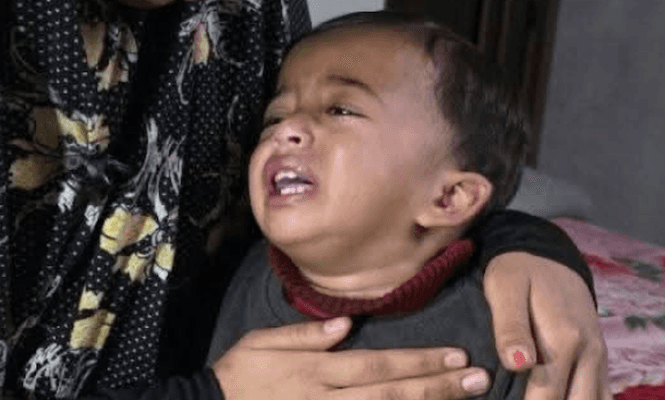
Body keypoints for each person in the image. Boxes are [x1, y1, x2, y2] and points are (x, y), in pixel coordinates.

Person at [0, 0, 602, 399]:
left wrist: (517, 243)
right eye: (285, 112)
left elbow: (364, 186)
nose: (288, 126)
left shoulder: (226, 19)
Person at [207, 11, 603, 400]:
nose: (285, 131)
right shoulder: (232, 273)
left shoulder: (506, 331)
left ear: (449, 199)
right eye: (274, 117)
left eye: (340, 110)